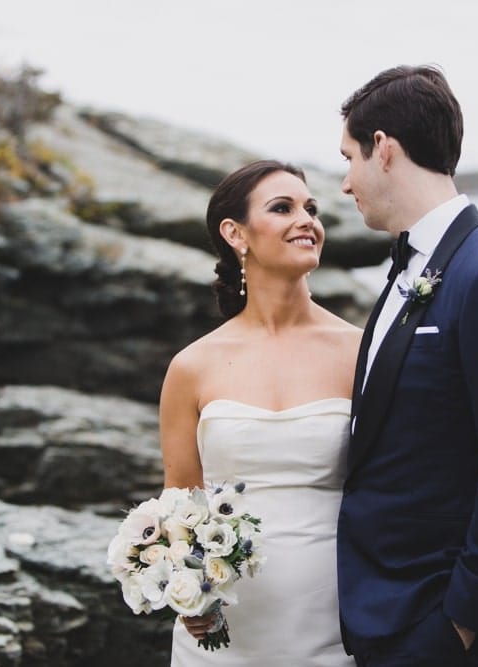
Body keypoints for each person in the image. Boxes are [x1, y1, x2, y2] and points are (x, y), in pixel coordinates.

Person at [336, 65, 478, 666]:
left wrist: (462, 623)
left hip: (441, 622)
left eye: (348, 158)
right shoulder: (410, 267)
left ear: (382, 149)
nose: (343, 182)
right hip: (383, 609)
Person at [161, 160, 361, 666]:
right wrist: (182, 590)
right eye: (282, 208)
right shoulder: (192, 366)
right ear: (235, 233)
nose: (307, 220)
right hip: (223, 636)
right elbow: (178, 500)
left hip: (336, 622)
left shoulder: (361, 353)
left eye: (311, 209)